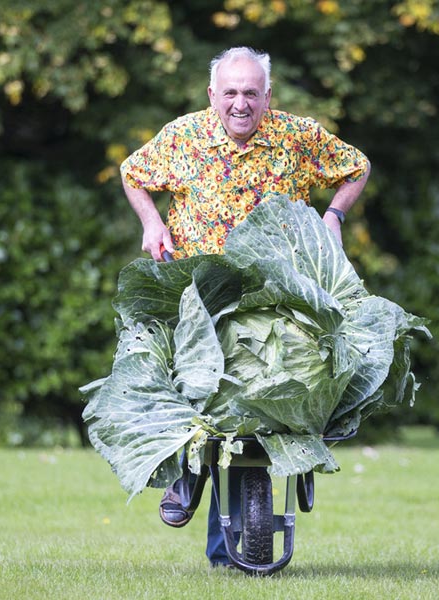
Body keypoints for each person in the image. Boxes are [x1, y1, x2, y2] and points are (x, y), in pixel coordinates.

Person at [119, 46, 371, 567]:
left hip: (274, 300)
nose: (240, 103)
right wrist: (151, 222)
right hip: (198, 298)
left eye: (250, 93)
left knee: (251, 415)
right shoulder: (183, 137)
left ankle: (227, 554)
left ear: (267, 97)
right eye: (229, 92)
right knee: (178, 383)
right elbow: (132, 172)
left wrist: (334, 218)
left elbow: (356, 167)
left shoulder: (295, 137)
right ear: (212, 95)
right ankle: (182, 473)